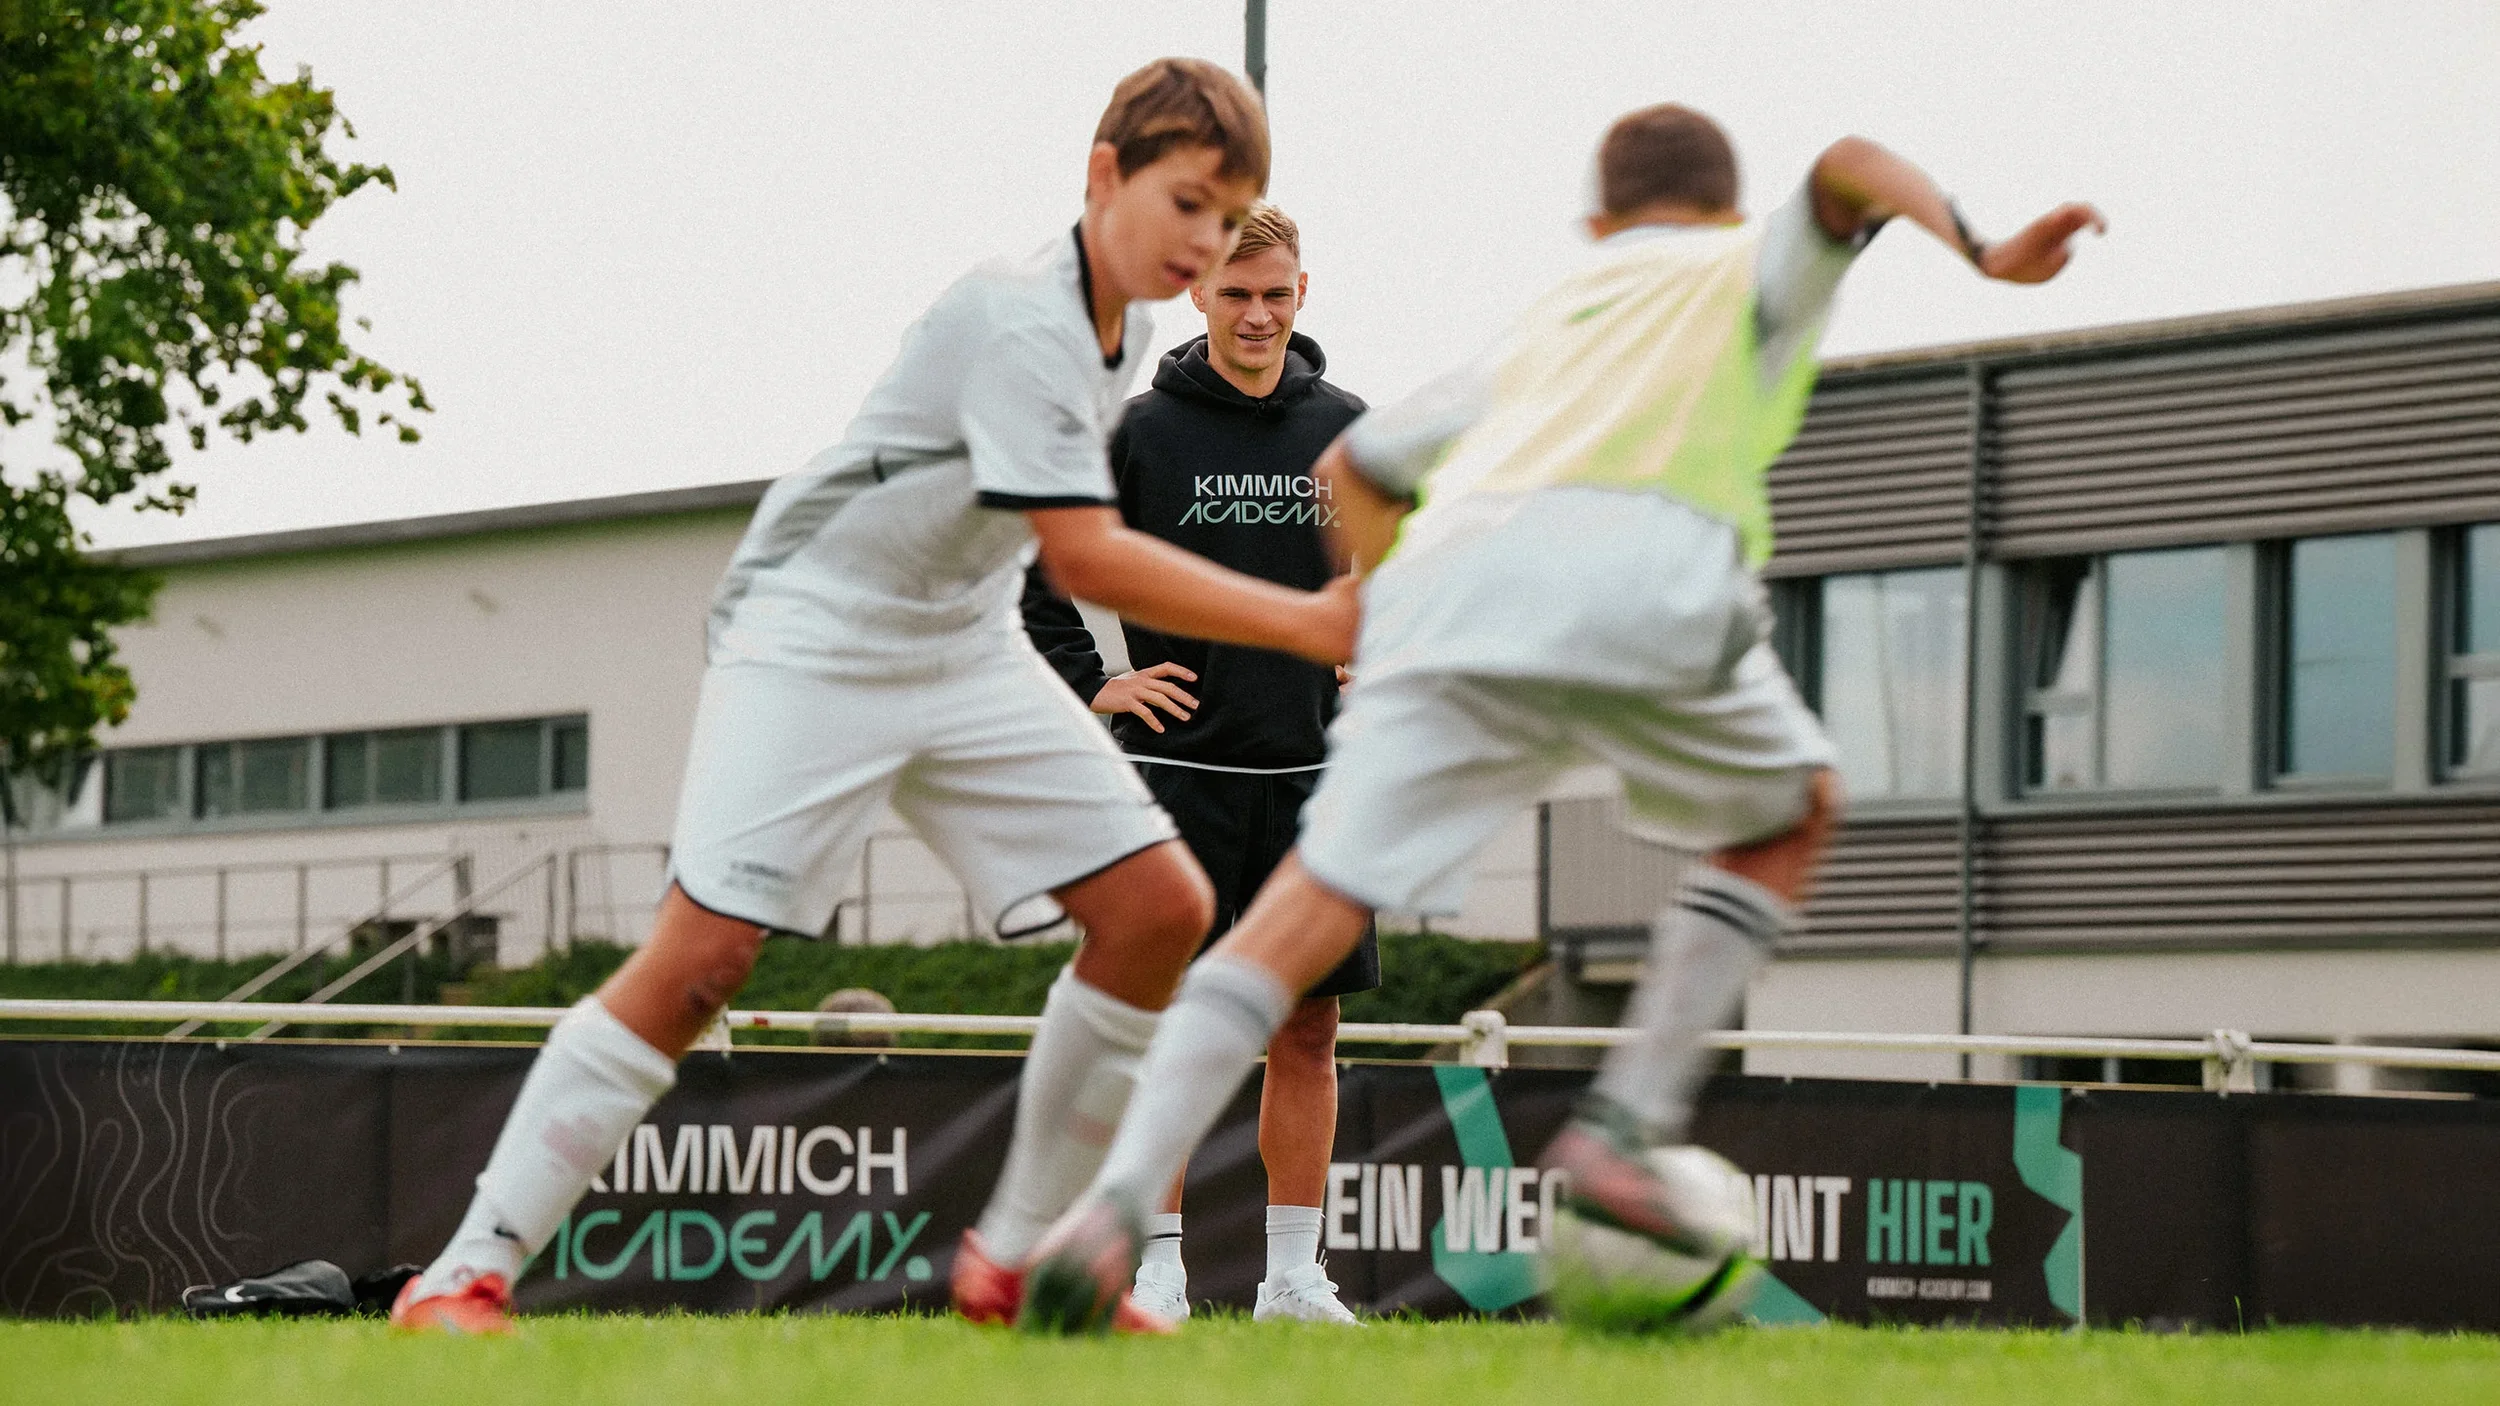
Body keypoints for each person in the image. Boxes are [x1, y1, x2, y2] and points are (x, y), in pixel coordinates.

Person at [1015, 103, 2104, 1332]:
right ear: (1734, 217)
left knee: (1299, 918)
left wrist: (1378, 640)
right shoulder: (1737, 262)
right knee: (1792, 811)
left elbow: (1351, 478)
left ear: (1596, 225)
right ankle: (1623, 1128)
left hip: (1462, 600)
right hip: (1646, 573)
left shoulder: (1549, 319)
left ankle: (1113, 1208)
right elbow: (1848, 163)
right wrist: (1983, 247)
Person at [388, 58, 1356, 1337]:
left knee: (1153, 910)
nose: (1205, 243)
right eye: (1187, 205)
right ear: (1103, 175)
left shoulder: (1118, 332)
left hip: (954, 641)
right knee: (702, 961)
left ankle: (1012, 1260)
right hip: (815, 633)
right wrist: (1307, 618)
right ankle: (461, 1272)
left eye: (1229, 219)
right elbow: (1079, 557)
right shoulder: (1020, 315)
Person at [1019, 201, 1371, 1325]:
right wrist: (1098, 681)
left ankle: (1290, 1279)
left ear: (1303, 294)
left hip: (1320, 787)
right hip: (1176, 786)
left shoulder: (1356, 433)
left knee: (1305, 1029)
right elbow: (1038, 584)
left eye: (1275, 293)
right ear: (1200, 296)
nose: (1256, 314)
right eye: (1235, 294)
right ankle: (1158, 1265)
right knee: (1165, 1026)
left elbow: (1412, 580)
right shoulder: (1140, 432)